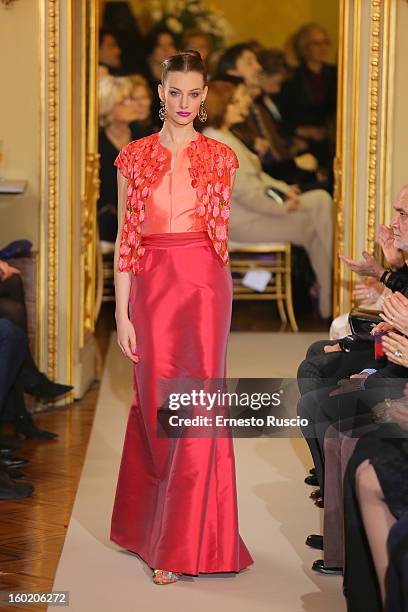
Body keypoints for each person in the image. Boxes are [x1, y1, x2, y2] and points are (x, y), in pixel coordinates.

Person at [110, 50, 253, 585]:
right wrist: (123, 311)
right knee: (153, 406)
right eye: (175, 92)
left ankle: (181, 541)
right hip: (150, 286)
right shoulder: (131, 158)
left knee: (194, 407)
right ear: (159, 91)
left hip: (203, 288)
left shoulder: (222, 157)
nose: (184, 104)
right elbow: (127, 239)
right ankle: (150, 525)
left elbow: (219, 239)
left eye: (194, 94)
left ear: (206, 96)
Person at [203, 79, 334, 319]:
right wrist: (283, 207)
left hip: (251, 214)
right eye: (236, 101)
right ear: (222, 106)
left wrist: (285, 191)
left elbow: (259, 178)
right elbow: (245, 193)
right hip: (242, 222)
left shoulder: (224, 136)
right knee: (318, 211)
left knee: (319, 205)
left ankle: (332, 296)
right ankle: (334, 295)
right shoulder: (218, 142)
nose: (244, 104)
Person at [278, 23, 337, 173]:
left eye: (325, 42)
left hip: (330, 142)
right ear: (304, 48)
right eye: (316, 44)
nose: (322, 48)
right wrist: (302, 130)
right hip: (301, 142)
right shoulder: (291, 77)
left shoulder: (336, 74)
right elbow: (282, 113)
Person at [97, 76, 142, 245]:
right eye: (124, 101)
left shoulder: (142, 137)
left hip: (141, 220)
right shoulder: (95, 143)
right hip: (105, 221)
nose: (133, 104)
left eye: (132, 98)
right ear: (108, 108)